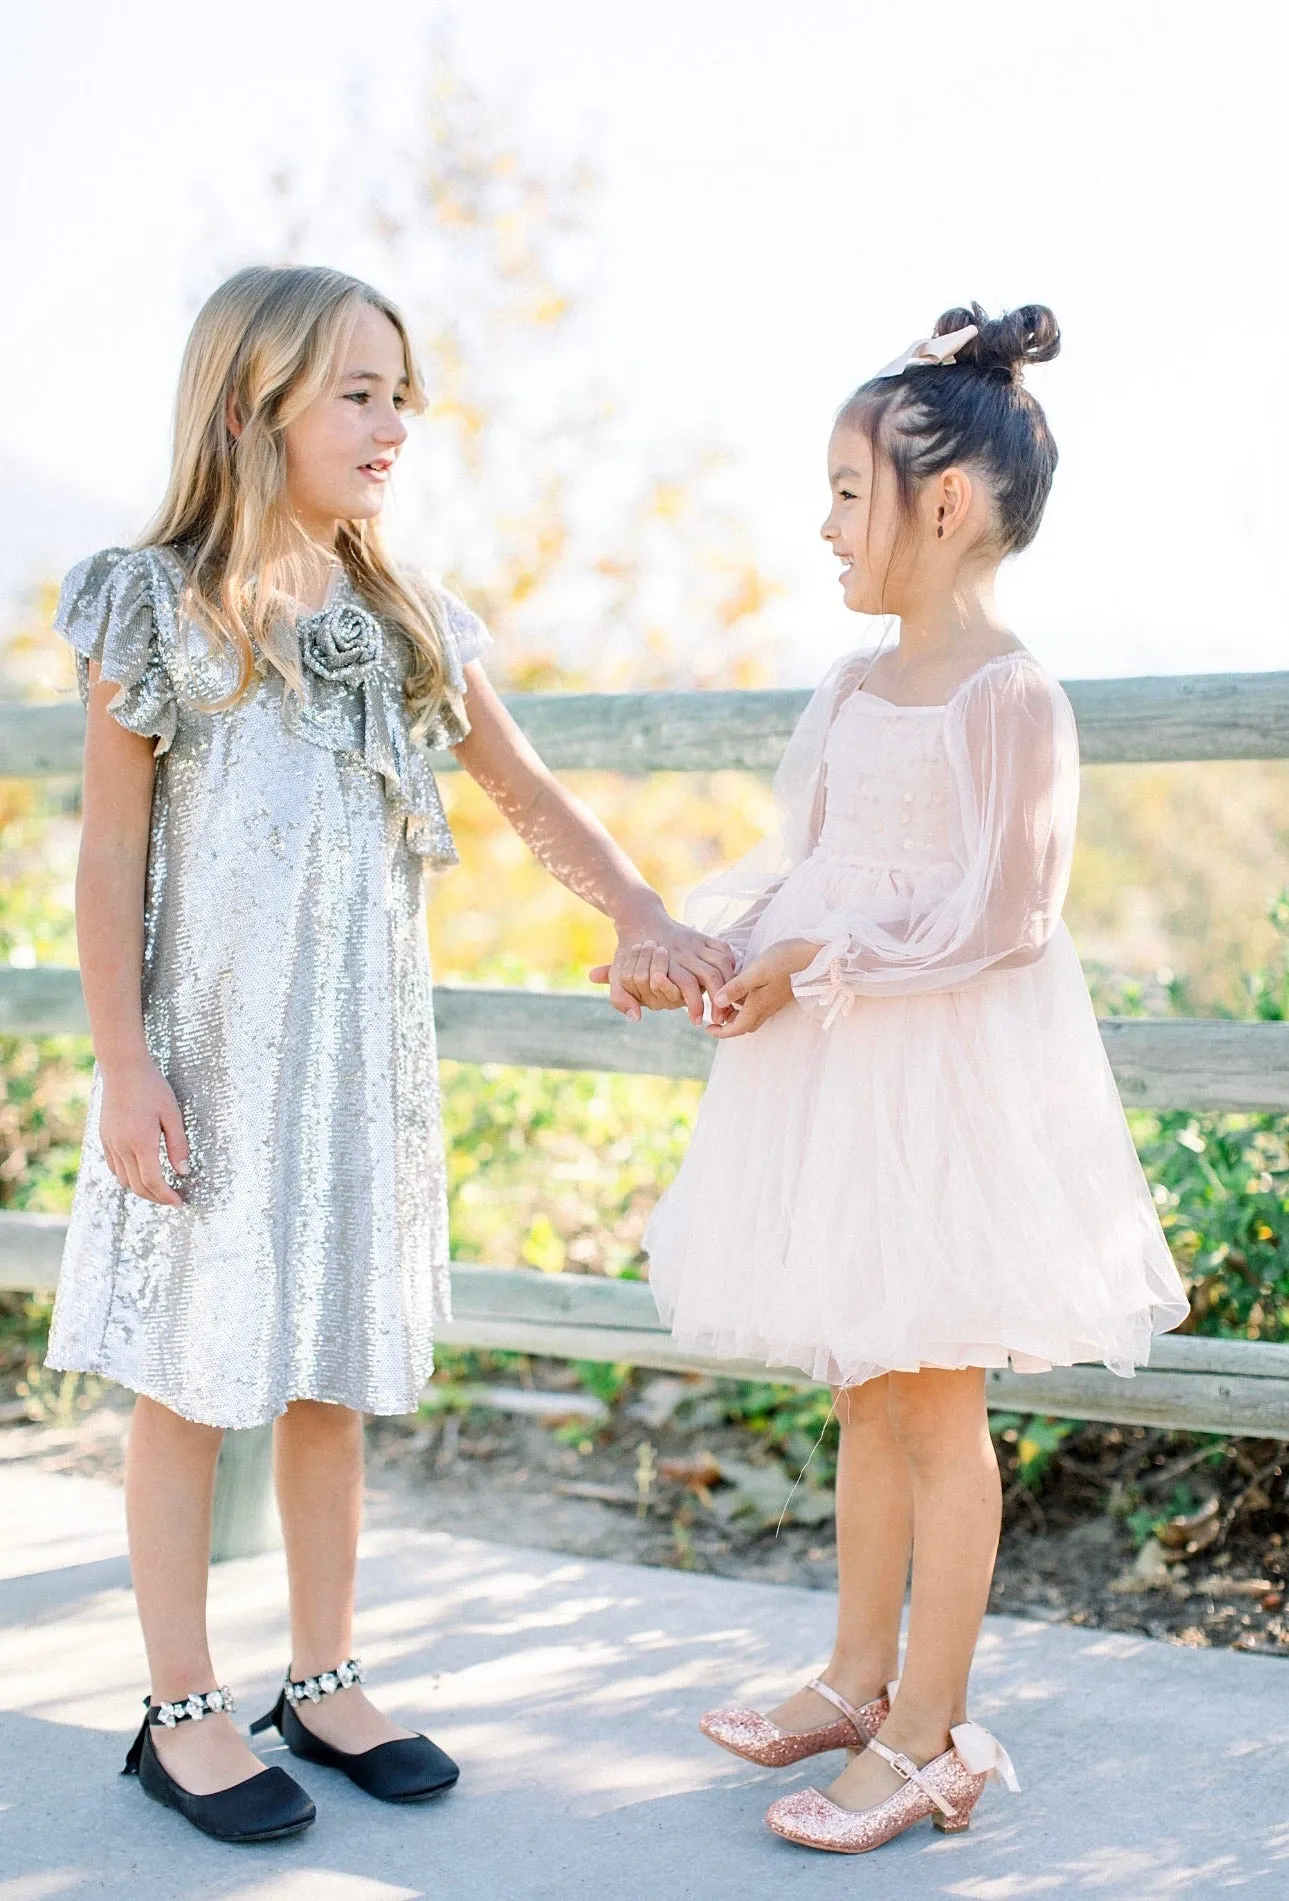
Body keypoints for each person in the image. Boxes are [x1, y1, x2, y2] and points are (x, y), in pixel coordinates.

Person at [47, 264, 733, 1844]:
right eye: (358, 393)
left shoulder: (402, 616)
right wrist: (122, 1065)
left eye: (402, 393)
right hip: (205, 1061)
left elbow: (528, 790)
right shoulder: (154, 600)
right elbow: (107, 859)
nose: (394, 423)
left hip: (351, 1068)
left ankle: (323, 1672)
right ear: (248, 407)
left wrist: (637, 910)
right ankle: (178, 1706)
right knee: (186, 1378)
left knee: (332, 1372)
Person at [607, 304, 1190, 1854]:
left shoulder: (1013, 697)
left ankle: (935, 1736)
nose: (826, 525)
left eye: (851, 492)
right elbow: (811, 862)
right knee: (867, 1387)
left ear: (945, 507)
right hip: (839, 1079)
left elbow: (1007, 921)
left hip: (944, 1092)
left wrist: (828, 962)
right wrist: (726, 947)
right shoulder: (855, 689)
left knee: (936, 1408)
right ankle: (856, 1678)